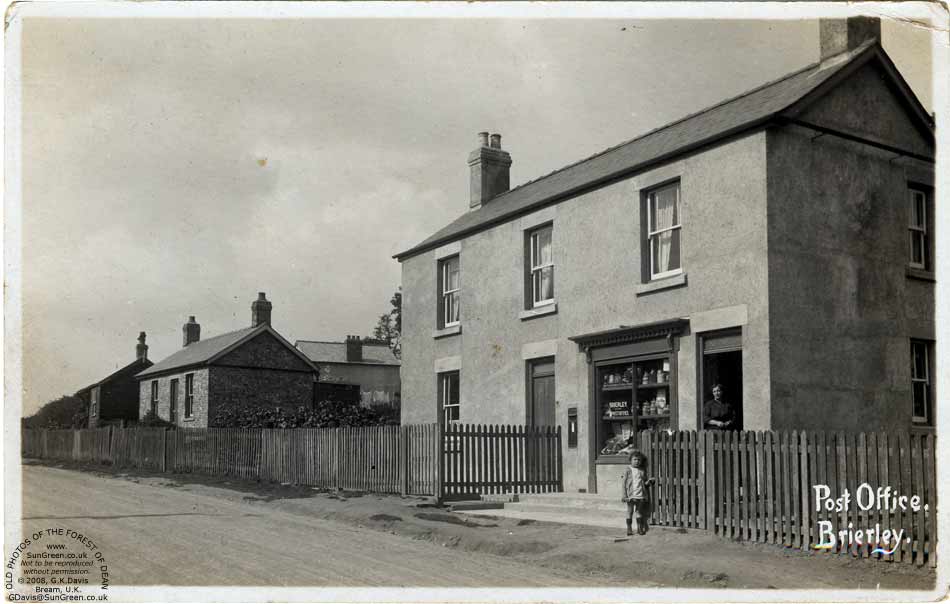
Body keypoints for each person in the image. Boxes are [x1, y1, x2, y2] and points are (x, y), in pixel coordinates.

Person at [620, 451, 654, 535]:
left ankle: (639, 528)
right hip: (630, 495)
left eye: (639, 460)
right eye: (634, 459)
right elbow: (623, 484)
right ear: (630, 460)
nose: (637, 461)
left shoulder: (642, 470)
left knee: (639, 511)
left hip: (640, 494)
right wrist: (624, 495)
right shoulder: (627, 470)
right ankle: (629, 529)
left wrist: (649, 482)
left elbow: (644, 483)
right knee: (630, 511)